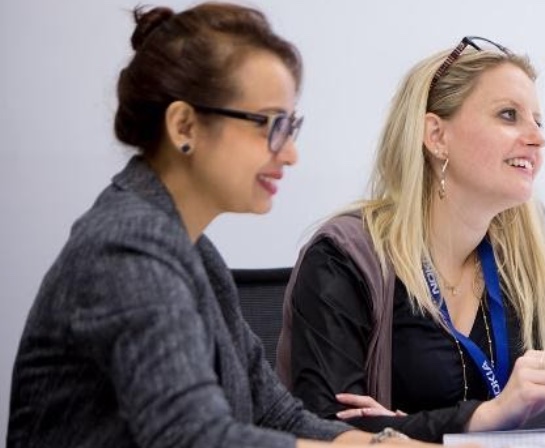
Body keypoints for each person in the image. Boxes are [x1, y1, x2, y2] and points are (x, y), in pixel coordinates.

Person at [7, 4, 424, 447]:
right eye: (269, 124)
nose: (289, 153)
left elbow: (274, 413)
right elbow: (193, 437)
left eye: (290, 127)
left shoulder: (193, 250)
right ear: (184, 125)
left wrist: (387, 444)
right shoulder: (127, 247)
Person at [276, 36, 545, 443]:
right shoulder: (344, 257)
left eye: (538, 120)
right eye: (508, 115)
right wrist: (487, 416)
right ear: (436, 135)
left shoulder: (522, 260)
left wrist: (404, 425)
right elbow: (327, 430)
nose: (536, 137)